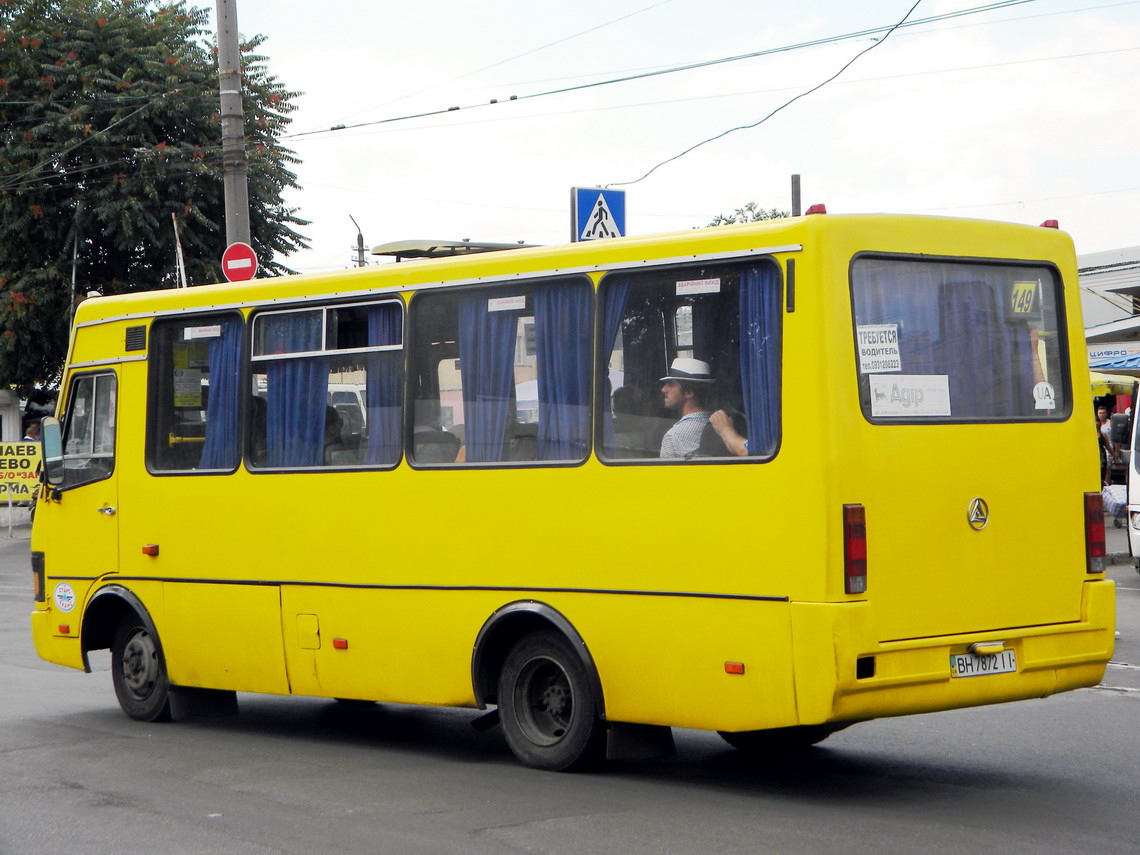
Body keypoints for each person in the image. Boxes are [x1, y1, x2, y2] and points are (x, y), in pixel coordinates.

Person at [658, 358, 717, 458]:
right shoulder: (720, 423)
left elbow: (665, 473)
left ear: (689, 393)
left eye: (671, 385)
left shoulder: (673, 437)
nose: (663, 389)